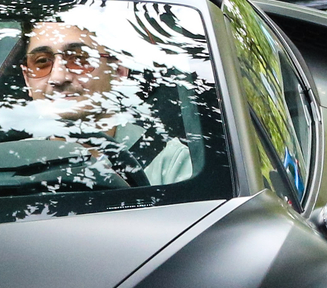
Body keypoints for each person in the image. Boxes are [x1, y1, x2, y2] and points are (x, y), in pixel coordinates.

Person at [12, 19, 193, 185]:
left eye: (79, 59)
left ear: (118, 71)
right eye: (42, 62)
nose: (58, 77)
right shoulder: (6, 164)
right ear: (27, 79)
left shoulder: (170, 163)